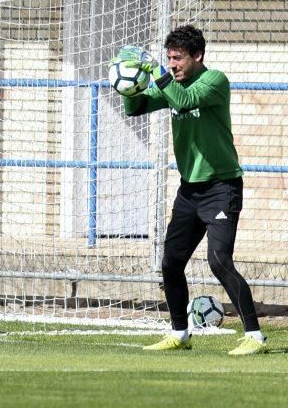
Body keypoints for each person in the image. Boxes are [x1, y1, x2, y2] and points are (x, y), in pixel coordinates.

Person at [115, 25, 266, 355]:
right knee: (170, 263)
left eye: (178, 58)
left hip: (222, 187)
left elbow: (183, 103)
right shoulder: (174, 82)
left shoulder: (214, 81)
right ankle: (180, 333)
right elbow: (136, 108)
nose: (172, 65)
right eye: (168, 58)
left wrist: (154, 71)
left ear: (198, 56)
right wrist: (127, 85)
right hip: (189, 192)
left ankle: (254, 336)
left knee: (219, 260)